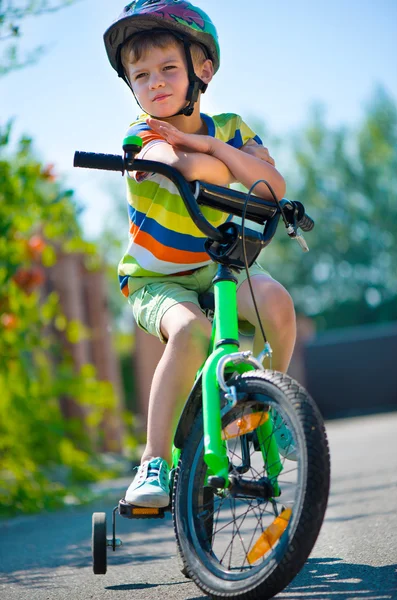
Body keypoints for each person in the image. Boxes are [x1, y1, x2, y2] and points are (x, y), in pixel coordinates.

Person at [103, 0, 296, 508]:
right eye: (140, 74)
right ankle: (153, 460)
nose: (155, 83)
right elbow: (183, 167)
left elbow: (271, 185)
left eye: (169, 68)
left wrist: (211, 148)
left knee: (277, 304)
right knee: (190, 331)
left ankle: (273, 407)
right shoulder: (141, 134)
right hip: (156, 279)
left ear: (202, 70)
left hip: (218, 267)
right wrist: (219, 159)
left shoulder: (230, 125)